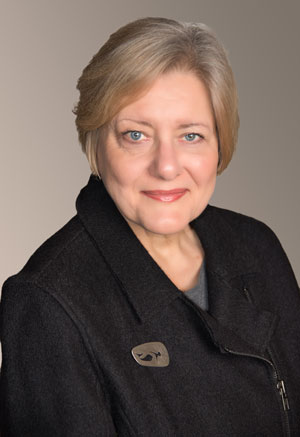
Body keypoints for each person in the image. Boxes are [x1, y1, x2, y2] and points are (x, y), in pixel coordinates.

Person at [0, 17, 299, 436]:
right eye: (136, 135)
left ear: (220, 144)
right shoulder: (47, 303)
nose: (167, 166)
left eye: (191, 136)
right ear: (95, 143)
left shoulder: (257, 246)